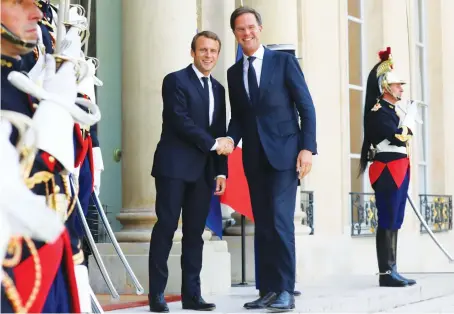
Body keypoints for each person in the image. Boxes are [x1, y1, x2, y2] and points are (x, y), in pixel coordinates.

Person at [223, 6, 317, 312]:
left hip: (285, 155)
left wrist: (307, 148)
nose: (246, 33)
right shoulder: (234, 73)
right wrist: (228, 140)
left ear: (259, 29)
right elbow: (239, 117)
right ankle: (266, 289)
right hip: (253, 157)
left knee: (279, 222)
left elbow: (306, 106)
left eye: (251, 27)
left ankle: (285, 290)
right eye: (240, 29)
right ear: (235, 34)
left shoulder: (284, 62)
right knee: (261, 224)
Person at [148, 30, 229, 312]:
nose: (208, 55)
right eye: (203, 50)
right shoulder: (175, 81)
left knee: (195, 234)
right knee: (166, 228)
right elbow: (179, 120)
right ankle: (156, 294)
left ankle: (192, 296)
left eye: (213, 51)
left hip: (204, 172)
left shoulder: (219, 89)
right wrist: (214, 143)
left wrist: (221, 172)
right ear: (192, 52)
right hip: (174, 167)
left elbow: (219, 129)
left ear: (217, 55)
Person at [359, 47, 419, 287]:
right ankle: (386, 273)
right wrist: (410, 120)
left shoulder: (391, 111)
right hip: (388, 169)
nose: (401, 89)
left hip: (398, 167)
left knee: (395, 218)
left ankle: (392, 268)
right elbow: (398, 137)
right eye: (397, 86)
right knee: (387, 218)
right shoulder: (378, 111)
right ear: (386, 87)